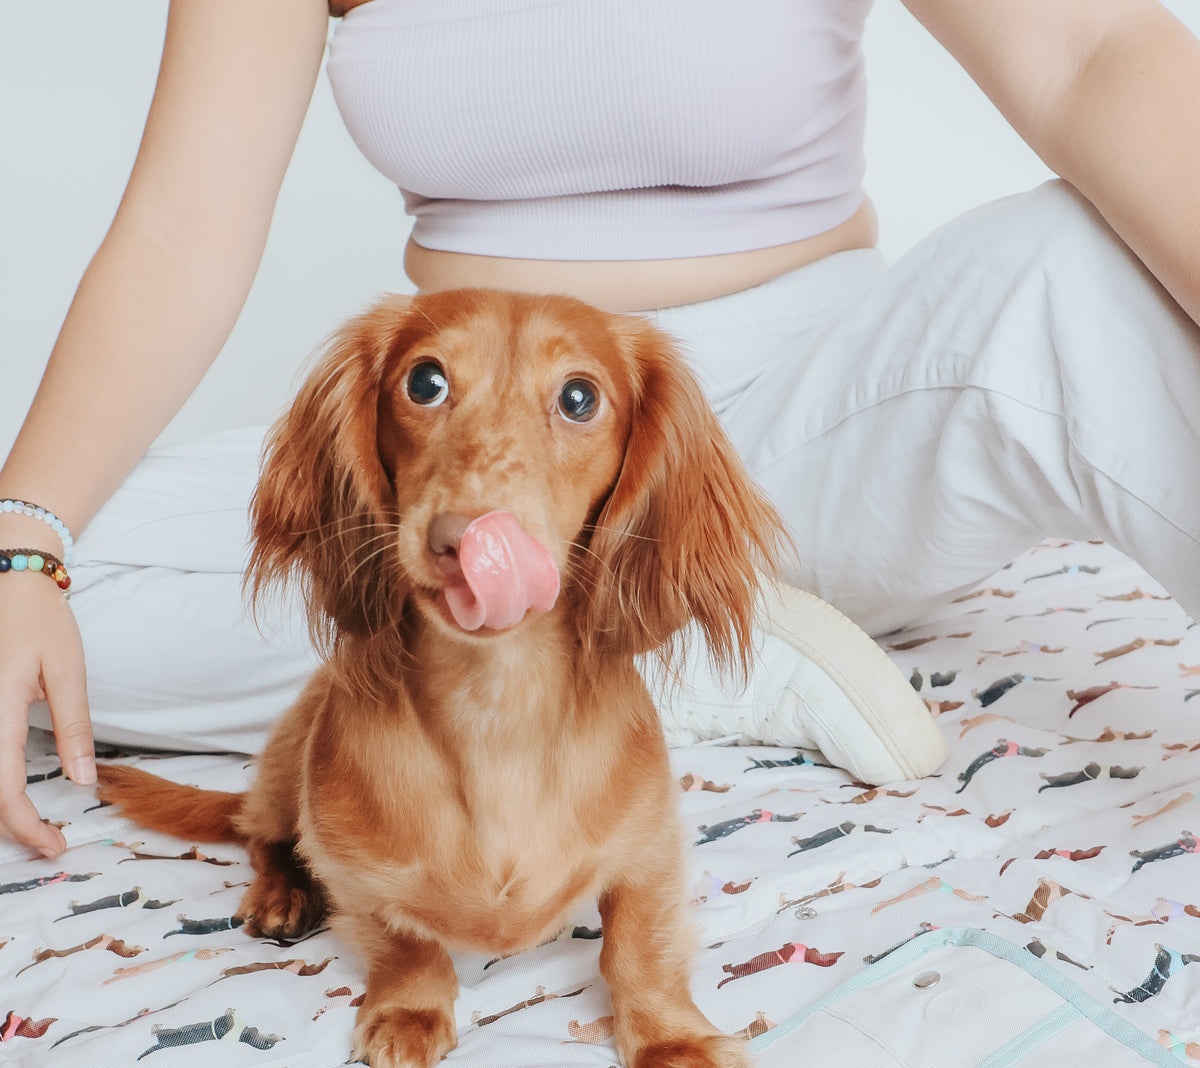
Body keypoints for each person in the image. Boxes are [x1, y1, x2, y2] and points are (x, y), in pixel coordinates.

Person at [3, 0, 1200, 860]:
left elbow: (1093, 49)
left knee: (1076, 271)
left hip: (805, 425)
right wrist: (25, 540)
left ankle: (667, 601)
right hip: (480, 469)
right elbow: (181, 228)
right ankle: (686, 647)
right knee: (63, 587)